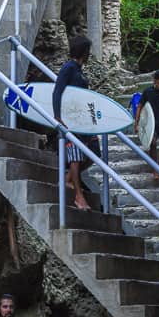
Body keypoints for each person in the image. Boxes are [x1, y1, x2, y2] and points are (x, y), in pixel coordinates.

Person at [53, 34, 96, 211]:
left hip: (82, 121)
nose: (89, 54)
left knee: (94, 152)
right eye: (88, 51)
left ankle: (68, 178)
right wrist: (58, 117)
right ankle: (79, 196)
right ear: (83, 52)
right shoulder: (68, 68)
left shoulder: (78, 70)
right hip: (69, 121)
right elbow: (57, 92)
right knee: (76, 156)